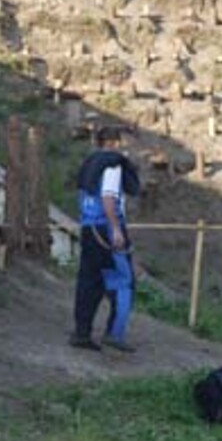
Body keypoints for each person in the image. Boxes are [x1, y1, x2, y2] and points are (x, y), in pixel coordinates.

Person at [70, 126, 140, 353]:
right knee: (124, 282)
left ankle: (82, 333)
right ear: (115, 143)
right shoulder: (112, 164)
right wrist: (116, 229)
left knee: (89, 282)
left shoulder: (89, 164)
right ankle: (115, 333)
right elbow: (109, 197)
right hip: (107, 229)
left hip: (89, 227)